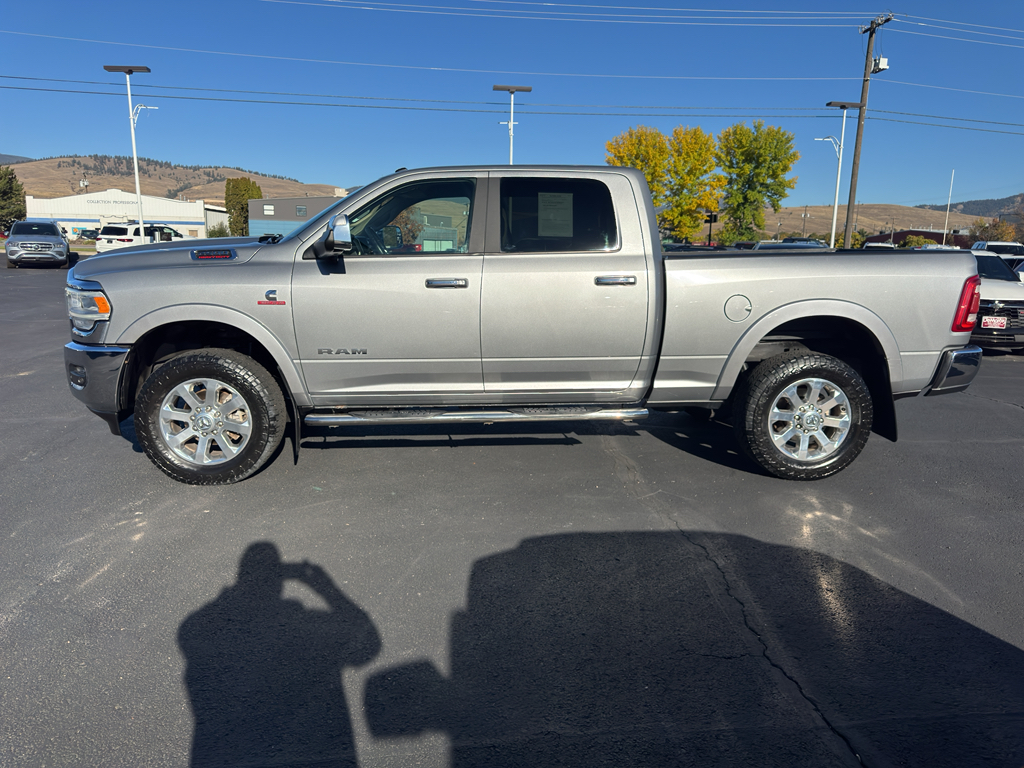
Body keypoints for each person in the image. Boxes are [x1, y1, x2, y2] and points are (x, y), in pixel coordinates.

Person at [178, 542, 380, 767]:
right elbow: (368, 641)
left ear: (240, 581)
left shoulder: (212, 637)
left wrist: (235, 595)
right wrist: (322, 585)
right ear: (280, 581)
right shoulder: (308, 632)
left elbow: (191, 630)